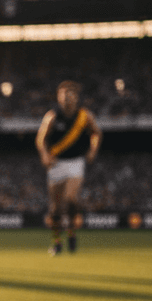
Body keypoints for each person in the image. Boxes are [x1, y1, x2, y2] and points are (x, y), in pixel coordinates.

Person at [35, 80, 102, 256]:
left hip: (75, 162)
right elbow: (41, 139)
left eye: (70, 95)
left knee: (71, 199)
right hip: (56, 164)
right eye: (63, 95)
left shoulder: (84, 116)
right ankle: (57, 242)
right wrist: (44, 155)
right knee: (55, 209)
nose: (66, 98)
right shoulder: (52, 116)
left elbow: (96, 132)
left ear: (76, 98)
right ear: (59, 97)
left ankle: (71, 233)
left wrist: (93, 150)